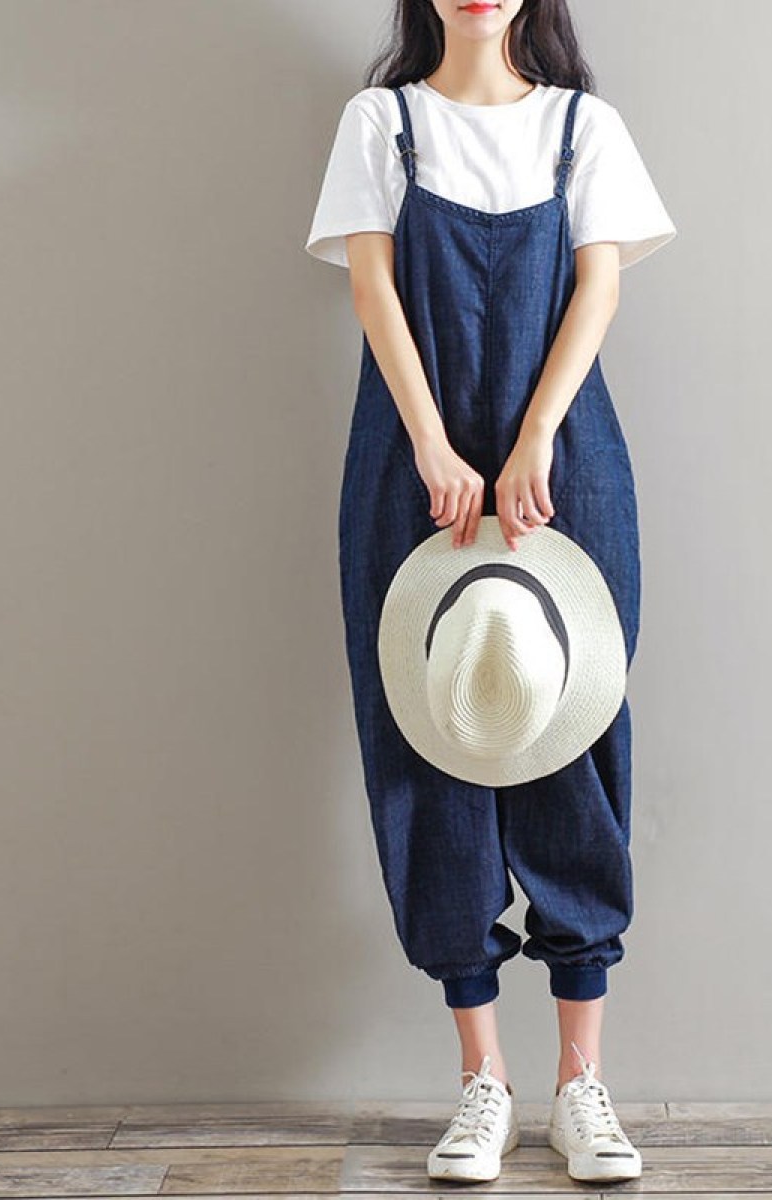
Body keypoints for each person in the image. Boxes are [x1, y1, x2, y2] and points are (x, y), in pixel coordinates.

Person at [304, 0, 676, 1184]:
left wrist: (534, 439)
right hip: (409, 469)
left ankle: (580, 1086)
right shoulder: (381, 124)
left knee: (574, 736)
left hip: (564, 471)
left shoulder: (582, 127)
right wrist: (432, 444)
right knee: (429, 740)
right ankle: (484, 1083)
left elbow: (597, 292)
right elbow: (374, 293)